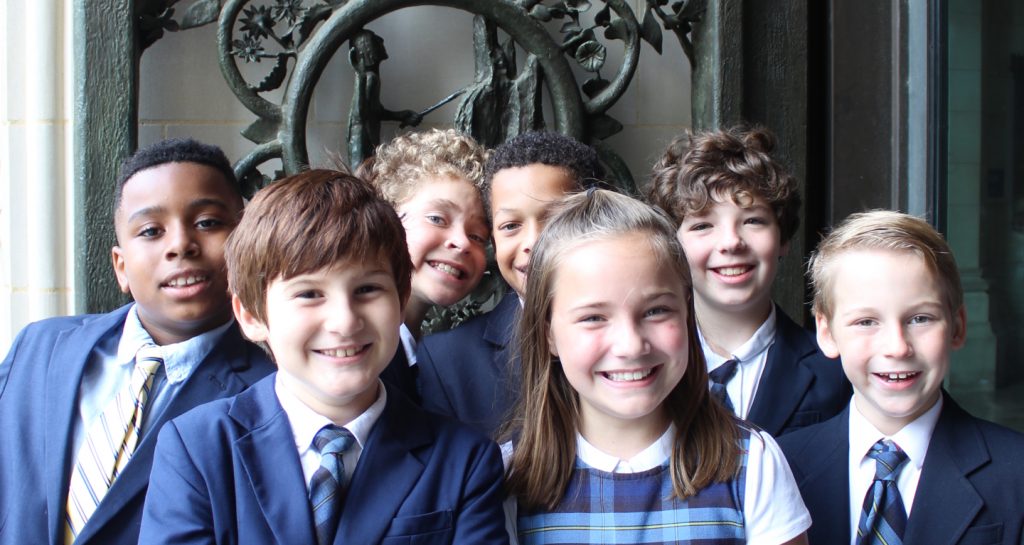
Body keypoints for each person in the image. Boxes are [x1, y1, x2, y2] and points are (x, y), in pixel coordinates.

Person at [138, 170, 509, 545]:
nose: (345, 321)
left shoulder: (464, 460)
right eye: (309, 294)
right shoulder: (197, 448)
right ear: (251, 316)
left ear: (400, 300)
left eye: (367, 289)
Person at [0, 138, 275, 545]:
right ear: (121, 266)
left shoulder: (272, 386)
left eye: (208, 222)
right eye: (151, 230)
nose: (180, 244)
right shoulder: (40, 348)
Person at [503, 189, 810, 544]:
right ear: (549, 336)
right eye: (594, 318)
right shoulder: (509, 478)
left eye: (655, 311)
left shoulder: (752, 462)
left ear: (686, 311)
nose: (631, 345)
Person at [778, 210, 1024, 544]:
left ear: (958, 326)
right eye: (866, 322)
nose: (897, 347)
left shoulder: (1015, 473)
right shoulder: (780, 466)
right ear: (826, 333)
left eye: (921, 318)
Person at [648, 126, 850, 437]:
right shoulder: (644, 364)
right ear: (673, 246)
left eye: (753, 220)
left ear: (783, 238)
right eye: (703, 225)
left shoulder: (836, 373)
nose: (731, 242)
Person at [416, 131, 602, 437]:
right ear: (493, 240)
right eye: (511, 226)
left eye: (554, 218)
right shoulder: (449, 362)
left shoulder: (647, 338)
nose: (533, 242)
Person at [368, 129, 489, 403]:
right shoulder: (362, 354)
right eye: (437, 219)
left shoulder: (428, 355)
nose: (462, 242)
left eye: (478, 236)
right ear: (387, 218)